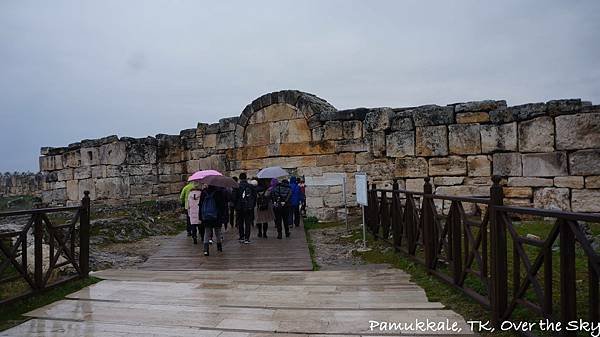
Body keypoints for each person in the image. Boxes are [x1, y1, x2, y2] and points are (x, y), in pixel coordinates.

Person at [198, 184, 227, 256]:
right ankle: (219, 247)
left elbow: (200, 205)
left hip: (206, 216)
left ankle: (206, 250)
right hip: (217, 215)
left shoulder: (204, 192)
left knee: (207, 232)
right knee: (217, 232)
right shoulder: (219, 192)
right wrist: (223, 216)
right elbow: (222, 205)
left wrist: (200, 216)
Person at [234, 172, 257, 244]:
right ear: (246, 178)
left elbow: (234, 197)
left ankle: (241, 237)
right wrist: (252, 205)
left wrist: (236, 205)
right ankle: (247, 238)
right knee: (247, 223)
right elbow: (254, 196)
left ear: (240, 178)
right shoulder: (250, 186)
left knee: (240, 222)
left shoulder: (237, 186)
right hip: (248, 207)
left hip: (239, 207)